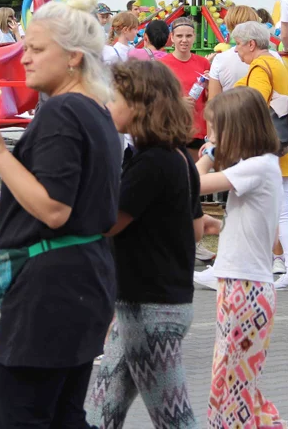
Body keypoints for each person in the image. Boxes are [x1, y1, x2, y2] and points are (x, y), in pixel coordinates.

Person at [0, 0, 121, 428]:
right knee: (64, 415)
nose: (24, 57)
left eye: (36, 49)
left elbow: (53, 208)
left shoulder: (64, 112)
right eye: (25, 46)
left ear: (73, 57)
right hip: (80, 281)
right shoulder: (95, 111)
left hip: (49, 291)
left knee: (26, 416)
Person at [85, 60, 201, 429]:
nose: (108, 105)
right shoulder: (179, 157)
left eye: (115, 98)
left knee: (174, 418)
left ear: (139, 104)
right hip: (148, 305)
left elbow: (106, 224)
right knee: (100, 410)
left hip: (151, 310)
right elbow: (196, 229)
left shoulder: (152, 163)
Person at [194, 87, 287, 427]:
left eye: (216, 129)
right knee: (233, 381)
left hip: (245, 288)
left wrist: (208, 153)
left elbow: (189, 182)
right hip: (242, 284)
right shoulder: (260, 166)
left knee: (232, 386)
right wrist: (221, 225)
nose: (210, 136)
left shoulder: (257, 167)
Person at [223, 21, 288, 292]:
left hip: (267, 146)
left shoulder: (260, 66)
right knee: (279, 210)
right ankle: (285, 265)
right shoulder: (275, 63)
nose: (236, 51)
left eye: (238, 44)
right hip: (282, 145)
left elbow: (254, 102)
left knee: (279, 212)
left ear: (251, 44)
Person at [161, 17, 211, 150]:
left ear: (194, 37)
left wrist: (209, 87)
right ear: (172, 37)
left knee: (196, 170)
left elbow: (210, 97)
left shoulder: (203, 63)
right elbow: (155, 98)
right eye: (179, 36)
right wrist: (178, 102)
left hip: (197, 128)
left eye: (188, 36)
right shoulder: (162, 65)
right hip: (172, 128)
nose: (184, 40)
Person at [206, 5, 264, 99]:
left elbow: (213, 102)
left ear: (229, 26)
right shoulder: (272, 57)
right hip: (261, 111)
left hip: (229, 111)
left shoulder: (220, 59)